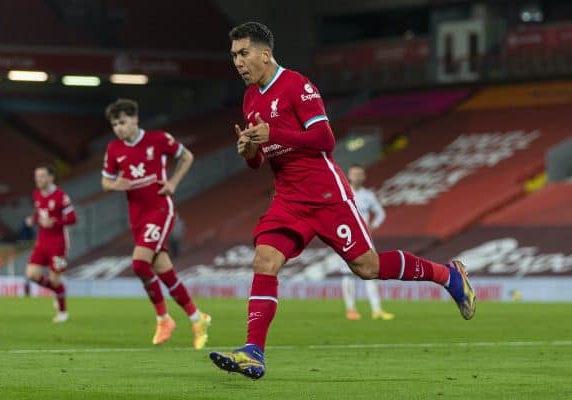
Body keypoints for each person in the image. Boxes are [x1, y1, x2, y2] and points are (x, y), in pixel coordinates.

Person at [209, 22, 476, 380]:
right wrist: (250, 150)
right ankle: (254, 352)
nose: (238, 62)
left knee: (367, 267)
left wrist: (275, 132)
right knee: (265, 260)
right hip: (288, 199)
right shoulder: (250, 98)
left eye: (243, 54)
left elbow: (325, 138)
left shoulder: (296, 85)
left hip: (326, 196)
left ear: (265, 54)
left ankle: (448, 275)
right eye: (233, 56)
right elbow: (259, 159)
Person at [101, 99, 211, 348]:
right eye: (115, 124)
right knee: (164, 272)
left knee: (140, 263)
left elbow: (187, 157)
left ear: (135, 119)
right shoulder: (114, 149)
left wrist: (172, 183)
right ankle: (197, 318)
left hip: (160, 209)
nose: (119, 128)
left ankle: (163, 319)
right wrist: (113, 185)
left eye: (123, 122)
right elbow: (105, 182)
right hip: (137, 215)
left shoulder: (158, 139)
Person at [340, 164, 393, 321]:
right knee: (348, 274)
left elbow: (380, 213)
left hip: (365, 238)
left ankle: (376, 310)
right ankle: (351, 309)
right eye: (354, 174)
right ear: (349, 175)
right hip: (345, 237)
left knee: (373, 272)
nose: (357, 177)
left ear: (364, 176)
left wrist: (373, 226)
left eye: (360, 174)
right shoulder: (342, 191)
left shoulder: (368, 195)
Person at [25, 164, 76, 323]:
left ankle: (63, 312)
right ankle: (57, 291)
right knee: (31, 274)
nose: (38, 179)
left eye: (41, 176)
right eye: (36, 176)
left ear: (51, 177)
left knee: (55, 279)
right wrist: (32, 220)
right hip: (42, 241)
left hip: (58, 243)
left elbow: (73, 218)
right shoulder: (37, 195)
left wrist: (55, 222)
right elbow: (39, 211)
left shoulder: (61, 196)